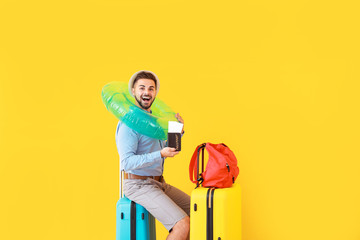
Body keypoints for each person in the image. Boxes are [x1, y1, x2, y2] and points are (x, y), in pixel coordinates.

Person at [115, 70, 190, 240]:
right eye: (142, 88)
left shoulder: (153, 121)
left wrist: (179, 132)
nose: (146, 92)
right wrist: (160, 154)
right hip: (137, 185)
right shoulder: (129, 124)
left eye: (151, 88)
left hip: (158, 183)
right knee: (182, 223)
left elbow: (165, 148)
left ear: (155, 92)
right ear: (133, 91)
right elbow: (127, 162)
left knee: (195, 209)